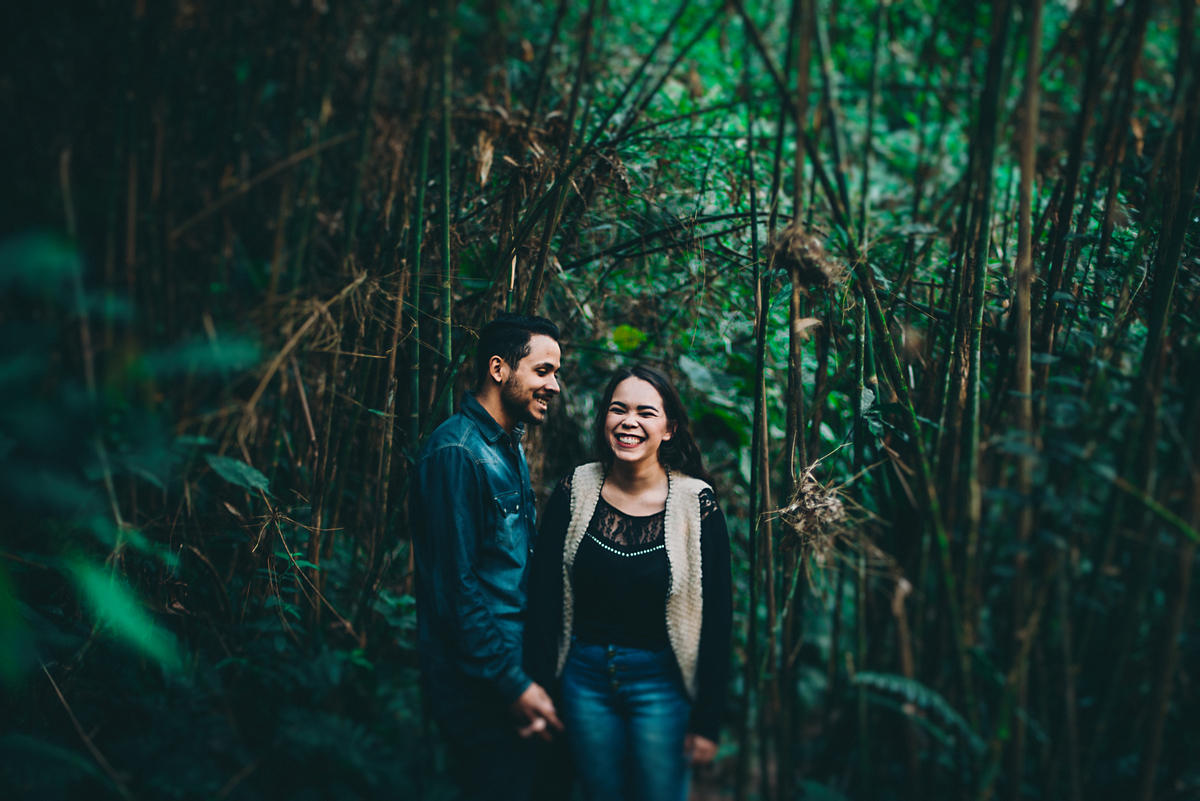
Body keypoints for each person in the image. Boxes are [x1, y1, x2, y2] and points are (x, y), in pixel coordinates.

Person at [526, 365, 732, 801]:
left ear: (669, 428)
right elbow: (544, 596)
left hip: (662, 684)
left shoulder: (696, 503)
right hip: (583, 680)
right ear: (604, 418)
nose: (628, 422)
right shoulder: (575, 489)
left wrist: (707, 721)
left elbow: (717, 616)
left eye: (645, 412)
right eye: (618, 409)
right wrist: (538, 685)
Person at [412, 313, 566, 801]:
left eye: (555, 373)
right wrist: (512, 684)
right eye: (543, 371)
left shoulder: (505, 446)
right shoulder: (457, 452)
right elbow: (454, 592)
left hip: (511, 667)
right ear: (499, 369)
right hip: (480, 684)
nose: (554, 385)